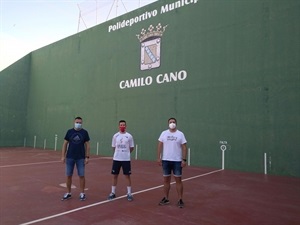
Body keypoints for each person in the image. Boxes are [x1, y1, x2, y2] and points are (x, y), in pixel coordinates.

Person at [157, 117, 187, 208]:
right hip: (166, 160)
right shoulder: (164, 133)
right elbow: (159, 146)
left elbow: (184, 147)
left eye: (173, 122)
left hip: (177, 161)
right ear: (168, 123)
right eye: (170, 122)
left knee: (178, 180)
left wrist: (184, 159)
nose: (172, 123)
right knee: (166, 180)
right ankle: (166, 198)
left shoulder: (180, 134)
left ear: (176, 123)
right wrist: (159, 158)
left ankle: (180, 199)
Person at [61, 116, 90, 201]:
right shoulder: (69, 132)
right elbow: (65, 144)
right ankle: (68, 193)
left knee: (81, 175)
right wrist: (63, 156)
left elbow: (87, 145)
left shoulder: (84, 132)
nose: (78, 124)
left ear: (82, 123)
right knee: (68, 175)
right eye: (77, 122)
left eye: (80, 123)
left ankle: (82, 193)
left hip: (80, 158)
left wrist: (87, 156)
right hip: (70, 157)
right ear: (74, 122)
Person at [108, 120, 135, 201]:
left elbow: (132, 147)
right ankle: (113, 192)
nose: (122, 126)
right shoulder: (115, 136)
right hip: (116, 159)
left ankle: (129, 193)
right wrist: (118, 153)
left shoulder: (129, 136)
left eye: (123, 125)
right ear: (118, 126)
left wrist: (126, 153)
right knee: (114, 175)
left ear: (126, 126)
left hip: (126, 159)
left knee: (127, 176)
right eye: (121, 125)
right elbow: (113, 147)